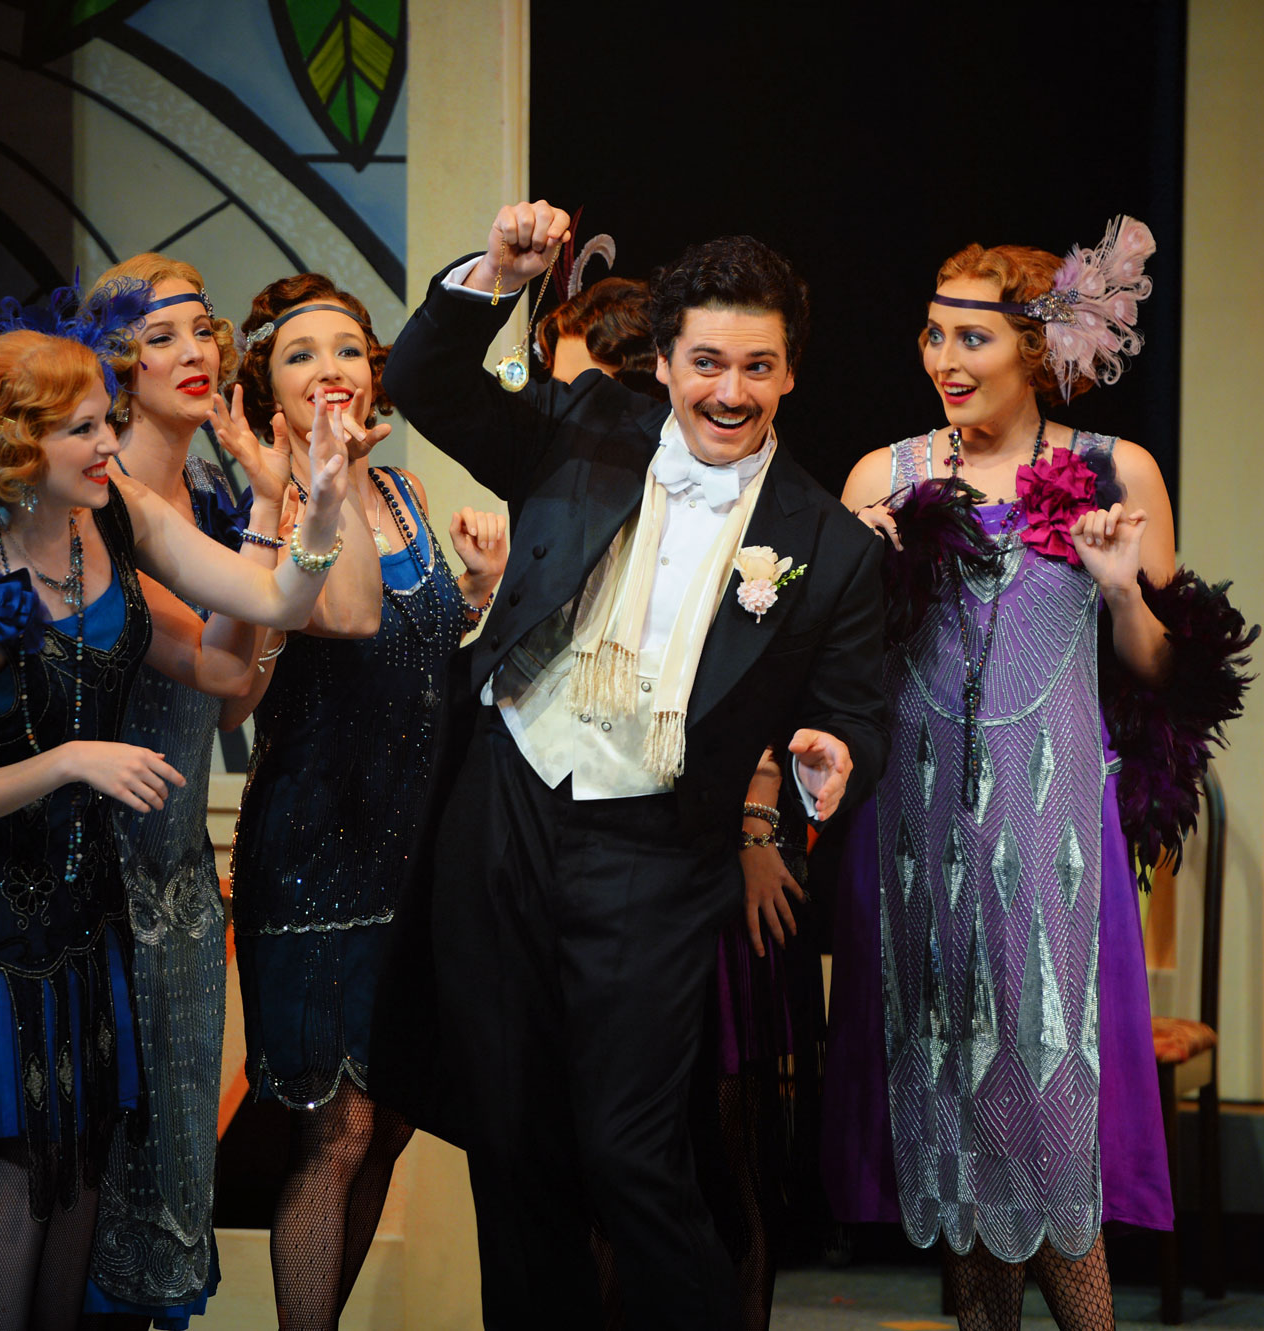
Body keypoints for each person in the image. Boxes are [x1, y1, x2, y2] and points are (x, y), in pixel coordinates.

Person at [383, 201, 888, 1331]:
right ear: (662, 361)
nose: (729, 391)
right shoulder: (582, 425)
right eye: (706, 362)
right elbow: (423, 380)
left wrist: (830, 750)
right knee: (509, 1141)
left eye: (757, 367)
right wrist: (494, 272)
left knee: (629, 1150)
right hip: (506, 801)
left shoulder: (829, 544)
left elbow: (857, 710)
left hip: (655, 850)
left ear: (790, 373)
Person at [0, 301, 352, 1331]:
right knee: (18, 1163)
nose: (107, 443)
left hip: (82, 892)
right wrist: (72, 760)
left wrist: (315, 511)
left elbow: (271, 601)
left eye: (104, 420)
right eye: (83, 428)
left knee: (84, 1150)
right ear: (17, 447)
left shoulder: (115, 517)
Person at [822, 220, 1254, 1331]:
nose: (943, 358)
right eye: (932, 333)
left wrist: (1117, 587)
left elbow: (1164, 675)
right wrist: (859, 568)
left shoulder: (1115, 470)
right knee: (954, 1123)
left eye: (970, 337)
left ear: (1035, 347)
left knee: (1047, 1116)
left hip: (1052, 828)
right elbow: (837, 668)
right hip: (915, 829)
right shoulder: (885, 475)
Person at [538, 274, 826, 1330]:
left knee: (701, 1146)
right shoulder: (595, 482)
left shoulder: (790, 521)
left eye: (577, 384)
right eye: (706, 364)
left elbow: (768, 691)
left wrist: (755, 826)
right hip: (581, 840)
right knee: (582, 1153)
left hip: (697, 858)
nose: (727, 387)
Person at [226, 273, 509, 1329]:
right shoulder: (276, 501)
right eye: (300, 355)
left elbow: (422, 649)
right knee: (332, 1127)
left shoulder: (403, 491)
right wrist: (321, 481)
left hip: (411, 849)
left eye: (346, 349)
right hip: (315, 847)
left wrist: (477, 590)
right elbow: (342, 619)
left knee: (387, 1121)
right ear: (267, 385)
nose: (329, 369)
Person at [71, 255, 282, 1328]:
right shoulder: (99, 499)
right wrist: (280, 519)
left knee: (178, 1147)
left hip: (181, 870)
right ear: (117, 362)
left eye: (203, 330)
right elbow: (212, 661)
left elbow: (234, 701)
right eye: (162, 337)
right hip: (93, 869)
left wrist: (269, 505)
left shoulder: (212, 498)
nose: (196, 352)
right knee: (101, 1145)